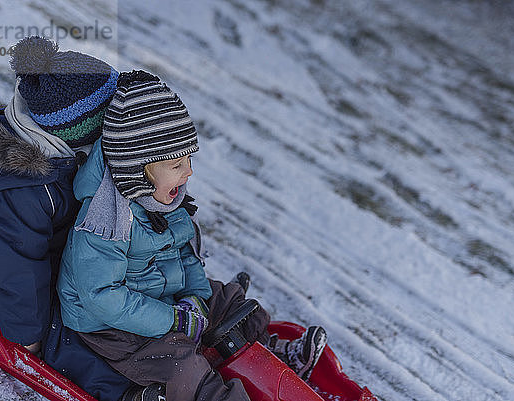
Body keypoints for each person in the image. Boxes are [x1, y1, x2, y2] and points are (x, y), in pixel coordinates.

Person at [57, 70, 328, 401]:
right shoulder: (103, 223)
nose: (188, 172)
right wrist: (173, 320)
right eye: (176, 164)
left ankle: (273, 358)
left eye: (188, 159)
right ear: (137, 169)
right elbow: (102, 297)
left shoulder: (164, 200)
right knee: (181, 364)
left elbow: (186, 255)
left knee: (227, 300)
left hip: (162, 301)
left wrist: (196, 299)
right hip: (113, 328)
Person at [0, 36, 133, 401]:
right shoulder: (19, 189)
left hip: (51, 255)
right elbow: (18, 269)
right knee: (69, 337)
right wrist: (29, 336)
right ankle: (124, 393)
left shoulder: (61, 148)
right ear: (84, 125)